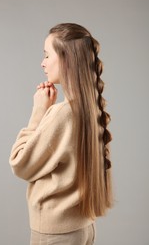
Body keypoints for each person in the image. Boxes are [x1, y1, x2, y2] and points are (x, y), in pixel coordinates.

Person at [9, 23, 113, 245]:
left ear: (66, 60)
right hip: (84, 228)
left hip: (55, 235)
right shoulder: (91, 109)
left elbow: (20, 164)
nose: (42, 63)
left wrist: (38, 113)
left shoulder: (62, 114)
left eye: (47, 55)